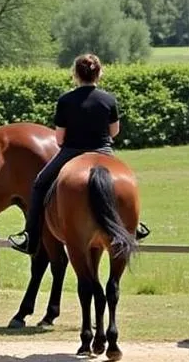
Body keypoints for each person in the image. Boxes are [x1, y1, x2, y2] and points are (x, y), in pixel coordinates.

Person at [9, 53, 119, 255]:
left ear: (75, 75)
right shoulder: (108, 100)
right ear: (99, 73)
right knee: (123, 182)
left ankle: (30, 238)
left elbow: (59, 138)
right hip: (103, 152)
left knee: (40, 183)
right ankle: (133, 226)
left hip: (72, 153)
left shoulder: (65, 100)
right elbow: (114, 132)